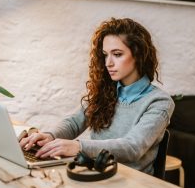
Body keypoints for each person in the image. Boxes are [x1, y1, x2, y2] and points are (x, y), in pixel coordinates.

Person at [20, 17, 175, 175]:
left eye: (117, 54)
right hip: (94, 175)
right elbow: (74, 123)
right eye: (105, 54)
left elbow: (133, 147)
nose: (108, 63)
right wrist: (50, 135)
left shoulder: (159, 102)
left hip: (131, 183)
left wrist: (78, 146)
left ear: (138, 55)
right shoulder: (106, 92)